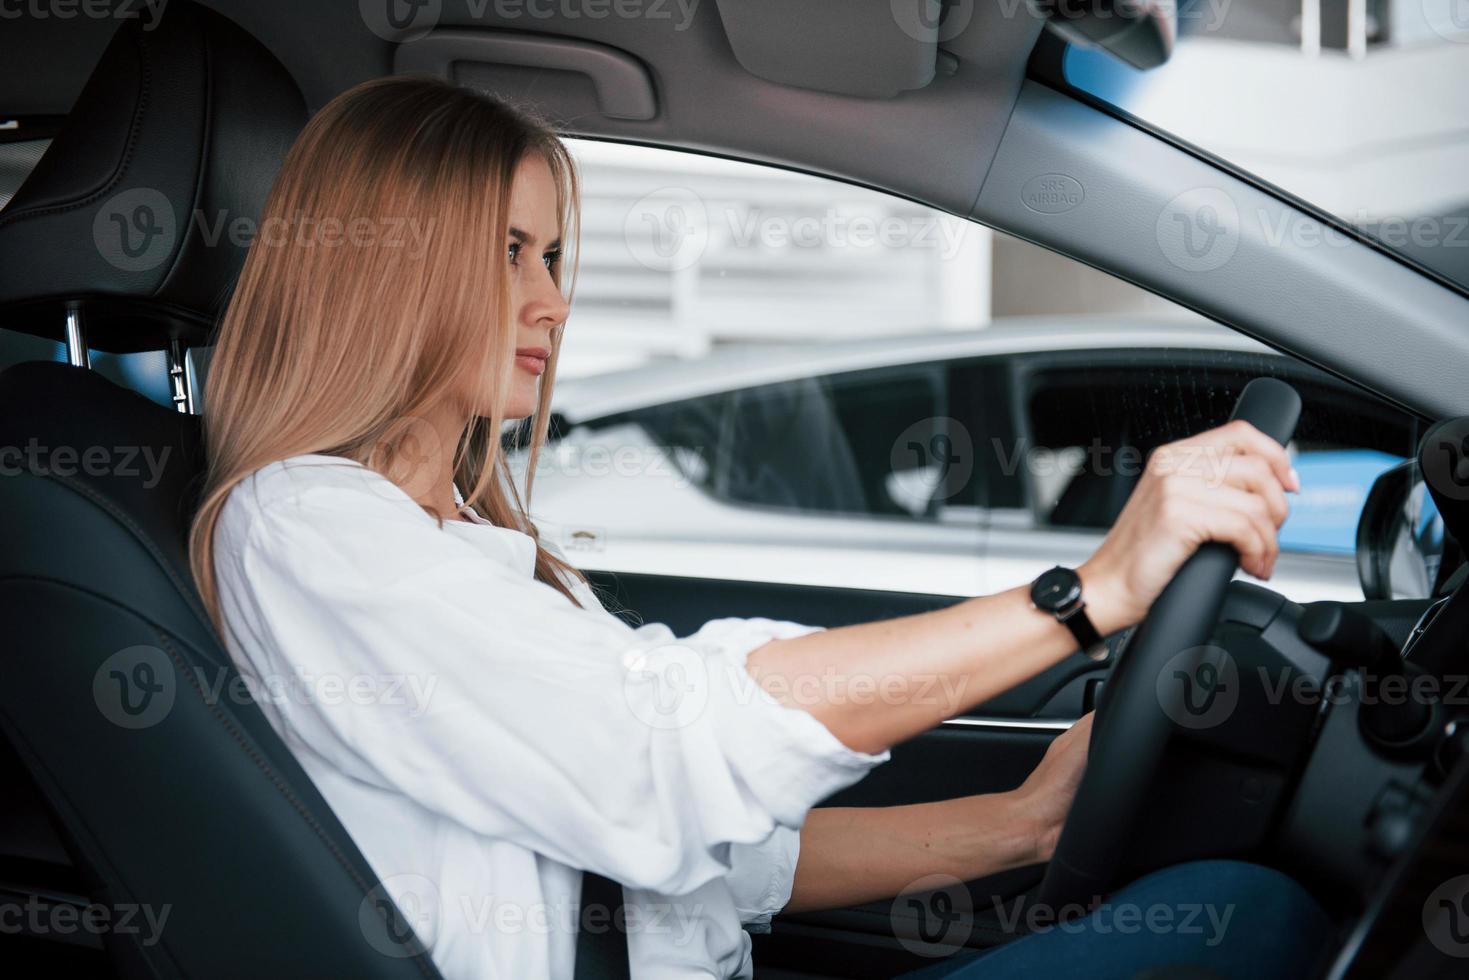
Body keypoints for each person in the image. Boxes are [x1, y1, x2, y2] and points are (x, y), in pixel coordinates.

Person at [188, 76, 1329, 979]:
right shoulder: (305, 528)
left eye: (550, 255)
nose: (551, 298)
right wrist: (1084, 596)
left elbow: (713, 864)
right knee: (1242, 922)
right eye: (506, 250)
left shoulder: (466, 542)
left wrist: (1019, 823)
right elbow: (661, 754)